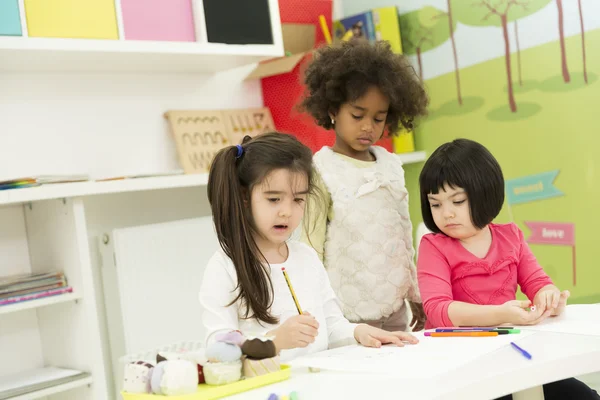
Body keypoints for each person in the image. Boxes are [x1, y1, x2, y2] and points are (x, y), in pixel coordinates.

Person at [199, 132, 418, 362]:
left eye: (298, 200)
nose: (287, 211)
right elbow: (217, 349)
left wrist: (359, 332)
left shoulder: (306, 257)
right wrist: (274, 341)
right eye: (274, 199)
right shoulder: (224, 267)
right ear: (245, 198)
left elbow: (331, 326)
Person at [417, 138, 599, 400]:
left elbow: (537, 281)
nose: (446, 214)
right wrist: (499, 314)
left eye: (457, 201)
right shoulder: (433, 247)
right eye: (436, 204)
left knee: (584, 396)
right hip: (459, 364)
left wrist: (547, 297)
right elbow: (438, 310)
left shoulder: (511, 236)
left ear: (486, 193)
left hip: (512, 353)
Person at [298, 40, 429, 332]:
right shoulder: (322, 170)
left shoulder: (391, 165)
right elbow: (310, 246)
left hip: (395, 310)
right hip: (346, 315)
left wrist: (415, 294)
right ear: (333, 109)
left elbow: (402, 239)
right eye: (358, 116)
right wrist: (313, 309)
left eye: (378, 118)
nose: (368, 126)